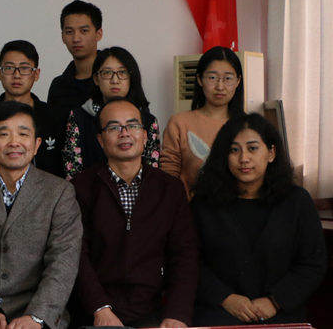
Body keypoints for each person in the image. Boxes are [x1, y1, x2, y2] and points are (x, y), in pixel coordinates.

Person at [0, 102, 82, 329]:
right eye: (4, 134)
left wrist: (37, 316)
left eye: (23, 134)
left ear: (37, 144)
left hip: (38, 311)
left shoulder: (59, 192)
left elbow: (63, 262)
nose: (14, 142)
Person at [70, 97, 197, 328]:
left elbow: (184, 255)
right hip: (92, 311)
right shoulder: (80, 187)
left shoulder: (170, 188)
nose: (125, 133)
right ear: (100, 139)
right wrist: (100, 308)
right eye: (114, 128)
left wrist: (177, 314)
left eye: (132, 125)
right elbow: (76, 254)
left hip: (151, 309)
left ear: (145, 136)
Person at [191, 114, 325, 326]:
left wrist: (275, 301)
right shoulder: (204, 204)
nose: (244, 158)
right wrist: (226, 298)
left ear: (271, 153)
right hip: (218, 311)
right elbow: (190, 262)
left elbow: (312, 263)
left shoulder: (297, 202)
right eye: (234, 150)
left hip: (280, 313)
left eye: (253, 148)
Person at [0, 40, 66, 177]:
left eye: (24, 68)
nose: (16, 75)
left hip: (47, 190)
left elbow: (63, 168)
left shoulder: (56, 117)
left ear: (36, 74)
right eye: (9, 68)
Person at [62, 47, 160, 179]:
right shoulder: (79, 118)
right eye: (107, 73)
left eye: (122, 72)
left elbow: (152, 175)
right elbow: (73, 173)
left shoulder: (148, 121)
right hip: (88, 190)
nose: (115, 80)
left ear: (132, 78)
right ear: (96, 79)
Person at [162, 46, 246, 199]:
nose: (220, 86)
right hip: (189, 210)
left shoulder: (247, 126)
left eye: (228, 78)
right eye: (212, 77)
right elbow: (169, 175)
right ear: (200, 79)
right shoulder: (179, 123)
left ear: (238, 81)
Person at [48, 0, 103, 114]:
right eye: (69, 32)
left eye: (84, 31)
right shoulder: (58, 86)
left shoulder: (114, 78)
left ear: (98, 34)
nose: (76, 38)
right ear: (63, 37)